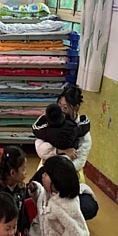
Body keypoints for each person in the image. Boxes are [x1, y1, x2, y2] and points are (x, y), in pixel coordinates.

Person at [34, 85, 97, 219]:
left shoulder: (82, 130)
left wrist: (60, 176)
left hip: (71, 176)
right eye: (60, 106)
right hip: (47, 170)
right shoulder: (51, 120)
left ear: (76, 107)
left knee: (89, 206)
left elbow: (80, 159)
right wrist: (59, 151)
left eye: (66, 107)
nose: (62, 111)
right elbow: (40, 148)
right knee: (34, 194)